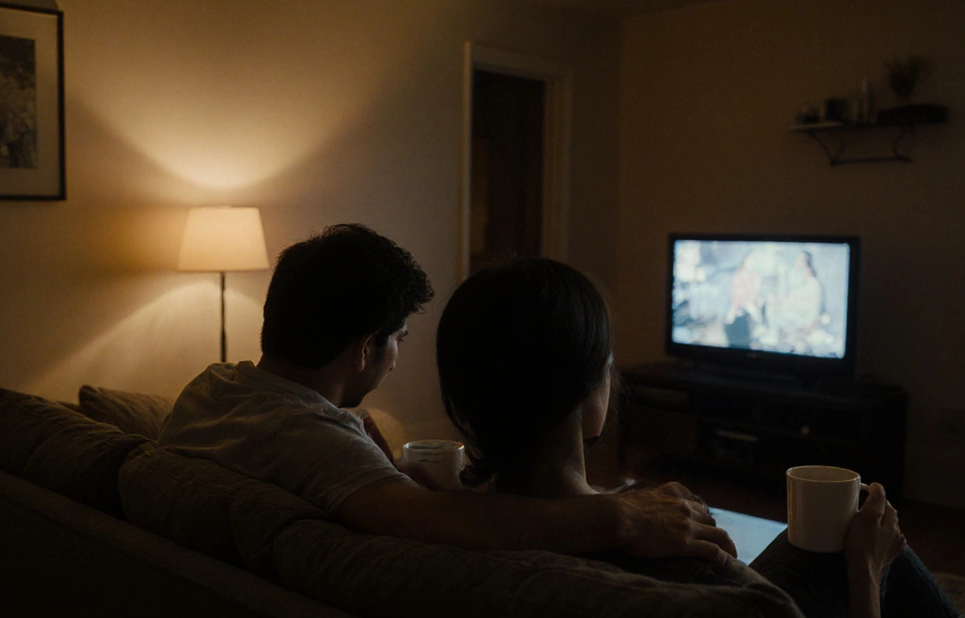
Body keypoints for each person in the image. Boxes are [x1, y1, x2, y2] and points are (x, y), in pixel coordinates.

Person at [435, 257, 960, 618]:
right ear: (587, 391)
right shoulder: (692, 567)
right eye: (608, 362)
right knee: (868, 543)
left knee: (824, 537)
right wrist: (865, 570)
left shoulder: (434, 520)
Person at [158, 223, 735, 560]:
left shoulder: (209, 390)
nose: (395, 358)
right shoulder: (307, 438)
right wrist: (623, 518)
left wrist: (379, 472)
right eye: (397, 340)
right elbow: (446, 525)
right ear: (365, 348)